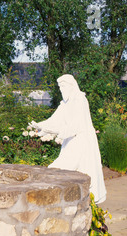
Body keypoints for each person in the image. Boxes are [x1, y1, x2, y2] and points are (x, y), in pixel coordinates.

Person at [30, 74, 106, 204]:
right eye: (60, 87)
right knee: (64, 170)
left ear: (71, 85)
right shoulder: (65, 103)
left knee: (74, 169)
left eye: (63, 86)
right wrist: (41, 126)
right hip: (70, 141)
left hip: (81, 141)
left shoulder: (79, 100)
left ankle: (83, 203)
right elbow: (55, 120)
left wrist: (57, 131)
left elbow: (76, 125)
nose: (61, 89)